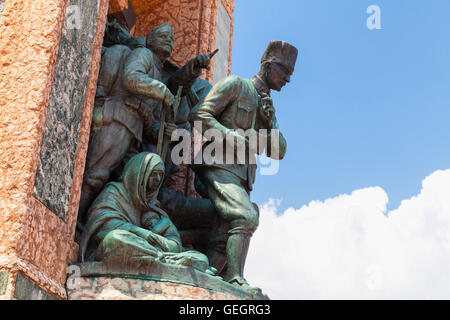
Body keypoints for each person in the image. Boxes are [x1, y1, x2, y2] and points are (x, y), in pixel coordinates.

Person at [189, 40, 298, 291]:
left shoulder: (267, 106)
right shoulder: (236, 85)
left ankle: (208, 282)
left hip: (242, 178)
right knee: (245, 217)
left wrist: (270, 124)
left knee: (222, 236)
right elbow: (199, 114)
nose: (288, 80)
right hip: (218, 166)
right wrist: (230, 136)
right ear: (269, 66)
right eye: (285, 72)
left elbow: (279, 151)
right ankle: (235, 279)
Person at [79, 152, 209, 272]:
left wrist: (167, 238)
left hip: (150, 251)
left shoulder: (153, 206)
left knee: (201, 258)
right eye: (153, 173)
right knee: (115, 238)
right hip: (114, 248)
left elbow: (172, 243)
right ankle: (167, 261)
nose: (157, 178)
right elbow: (101, 225)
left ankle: (162, 260)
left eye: (160, 175)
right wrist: (141, 232)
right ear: (139, 173)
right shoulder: (114, 192)